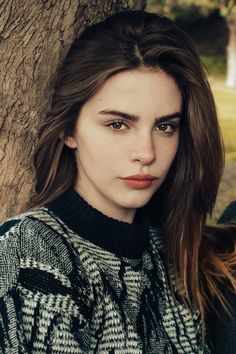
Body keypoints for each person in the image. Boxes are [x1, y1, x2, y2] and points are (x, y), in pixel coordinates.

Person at [0, 10, 235, 354]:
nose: (146, 153)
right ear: (69, 130)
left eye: (164, 126)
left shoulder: (179, 258)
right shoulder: (23, 257)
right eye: (118, 125)